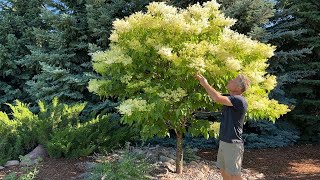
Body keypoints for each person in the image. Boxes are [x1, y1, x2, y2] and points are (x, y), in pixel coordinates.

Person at [195, 73, 250, 180]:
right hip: (225, 141)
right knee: (223, 171)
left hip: (233, 144)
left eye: (233, 80)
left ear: (238, 87)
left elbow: (217, 98)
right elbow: (216, 94)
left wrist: (205, 83)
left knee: (234, 175)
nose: (229, 80)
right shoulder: (232, 98)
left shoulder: (239, 100)